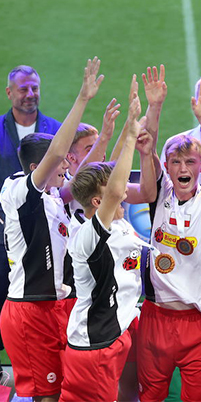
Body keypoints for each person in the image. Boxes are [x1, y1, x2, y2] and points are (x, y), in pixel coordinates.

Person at [0, 58, 103, 402]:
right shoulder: (19, 190)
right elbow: (59, 150)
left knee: (59, 389)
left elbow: (90, 175)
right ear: (36, 168)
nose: (65, 165)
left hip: (53, 305)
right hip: (30, 308)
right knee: (45, 394)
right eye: (58, 163)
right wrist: (83, 99)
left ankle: (8, 381)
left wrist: (121, 133)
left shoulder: (52, 198)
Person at [138, 81, 201, 402]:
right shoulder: (159, 192)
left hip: (197, 322)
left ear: (200, 167)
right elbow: (147, 149)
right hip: (155, 317)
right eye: (176, 162)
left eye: (190, 162)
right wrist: (155, 107)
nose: (183, 168)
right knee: (149, 396)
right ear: (167, 167)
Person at [60, 86, 151, 402]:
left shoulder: (104, 221)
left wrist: (130, 122)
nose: (125, 192)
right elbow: (115, 190)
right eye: (115, 192)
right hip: (93, 344)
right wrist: (129, 138)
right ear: (99, 202)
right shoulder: (87, 233)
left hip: (113, 330)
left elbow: (110, 177)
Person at [0, 65, 62, 347]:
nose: (30, 94)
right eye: (23, 89)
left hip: (44, 233)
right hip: (8, 228)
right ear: (9, 92)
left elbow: (67, 177)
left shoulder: (56, 130)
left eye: (34, 88)